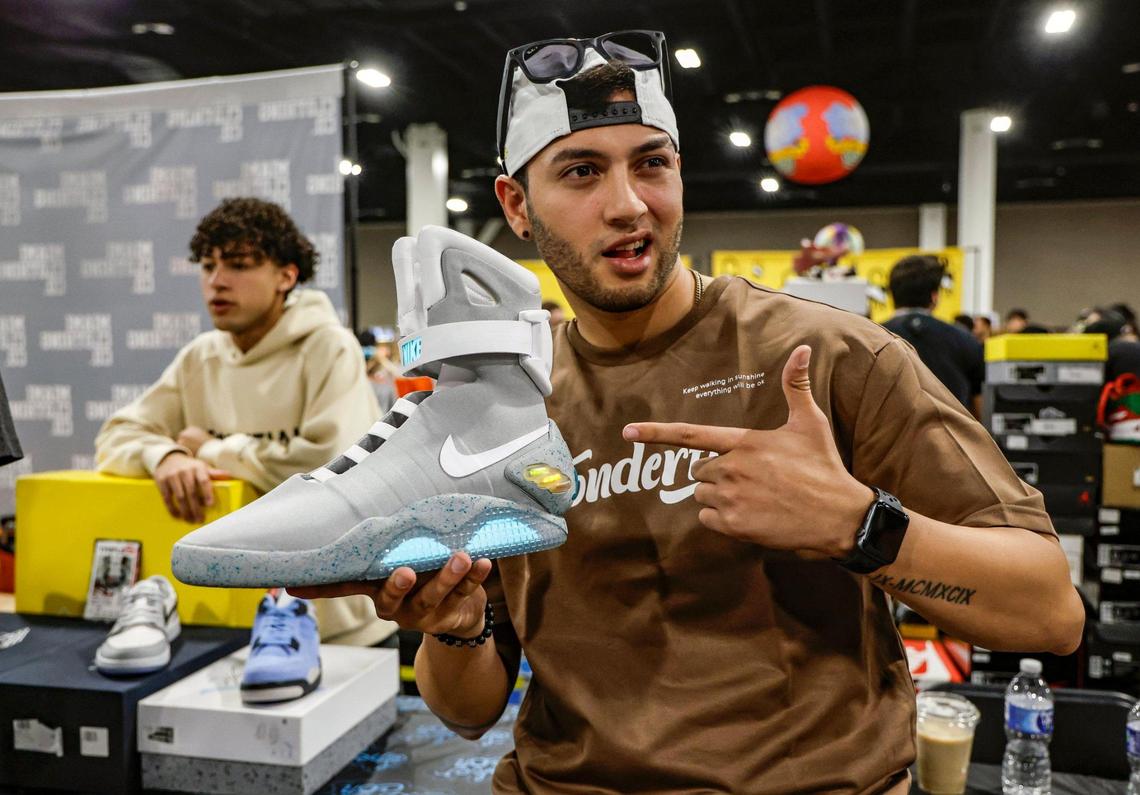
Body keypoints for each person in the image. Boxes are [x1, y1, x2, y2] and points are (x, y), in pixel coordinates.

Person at [296, 30, 1082, 794]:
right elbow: (467, 712)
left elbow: (1050, 614)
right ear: (517, 206)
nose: (629, 204)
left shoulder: (829, 356)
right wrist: (454, 621)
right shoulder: (500, 402)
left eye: (652, 165)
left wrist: (859, 526)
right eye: (580, 172)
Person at [95, 197, 389, 646]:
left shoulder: (329, 348)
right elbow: (116, 436)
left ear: (286, 276)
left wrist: (212, 449)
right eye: (208, 265)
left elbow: (332, 468)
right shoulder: (200, 356)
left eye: (238, 265)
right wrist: (167, 455)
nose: (217, 281)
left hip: (340, 620)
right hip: (229, 614)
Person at [882, 255, 985, 416]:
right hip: (951, 437)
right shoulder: (965, 339)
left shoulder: (870, 338)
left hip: (887, 438)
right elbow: (980, 407)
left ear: (892, 295)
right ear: (934, 296)